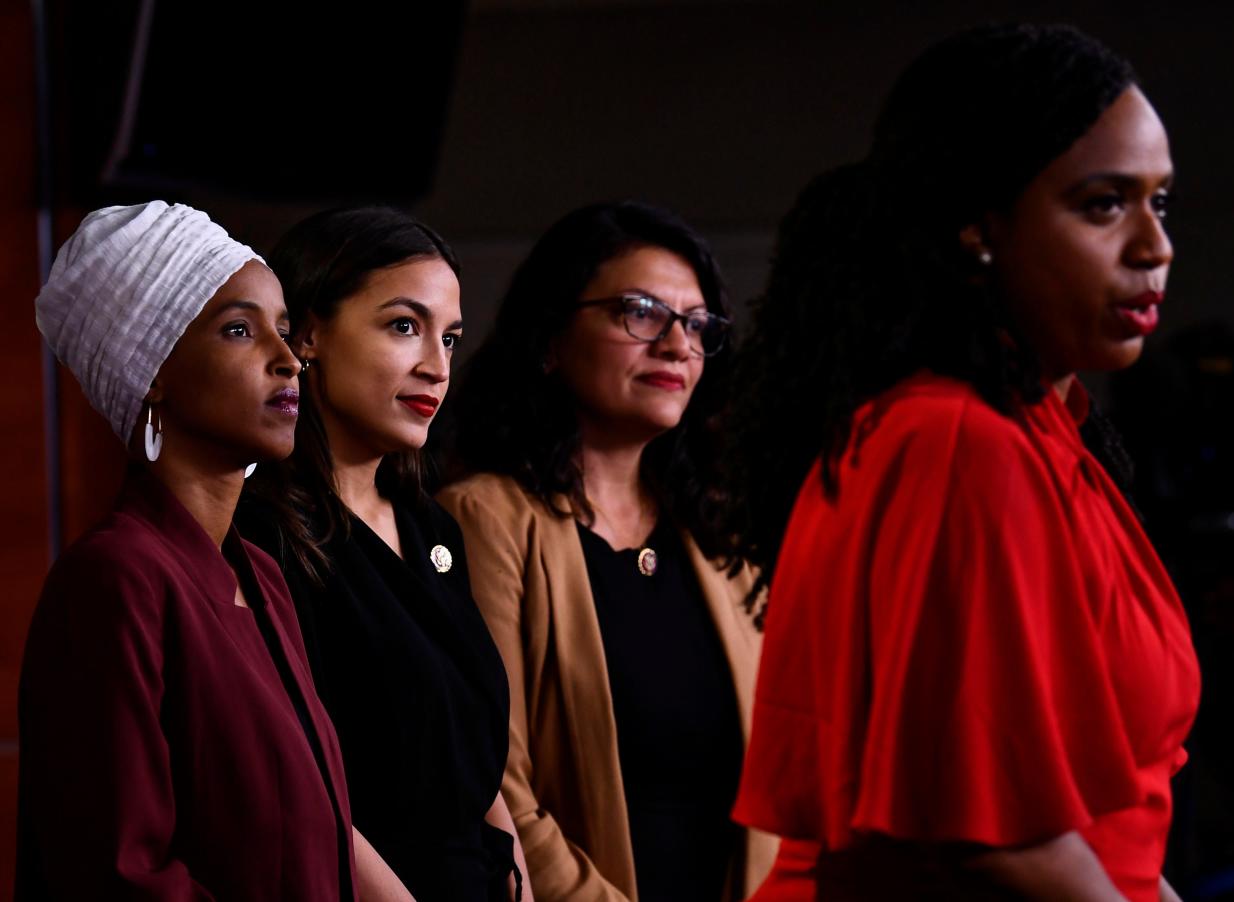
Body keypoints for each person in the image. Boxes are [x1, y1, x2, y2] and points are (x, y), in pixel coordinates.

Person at [722, 24, 1200, 902]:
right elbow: (999, 844)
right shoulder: (955, 443)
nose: (1152, 246)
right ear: (980, 227)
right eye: (1102, 204)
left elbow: (1110, 837)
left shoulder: (1041, 434)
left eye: (1158, 203)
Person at [18, 201, 410, 900]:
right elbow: (119, 877)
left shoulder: (259, 573)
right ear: (152, 370)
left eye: (285, 332)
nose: (289, 360)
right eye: (238, 330)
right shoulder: (115, 580)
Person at [438, 201, 778, 901]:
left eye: (696, 324)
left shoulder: (721, 542)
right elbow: (493, 782)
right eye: (640, 312)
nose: (677, 345)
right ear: (550, 340)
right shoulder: (485, 518)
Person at [236, 206, 526, 901]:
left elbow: (477, 760)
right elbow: (300, 790)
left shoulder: (434, 527)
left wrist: (519, 877)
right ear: (306, 335)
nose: (435, 366)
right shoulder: (259, 532)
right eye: (404, 326)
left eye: (450, 339)